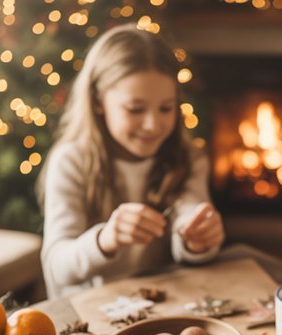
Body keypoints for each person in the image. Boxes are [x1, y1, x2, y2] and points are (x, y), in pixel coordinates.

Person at [40, 25, 225, 299]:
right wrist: (105, 239)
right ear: (98, 101)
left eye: (166, 108)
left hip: (165, 304)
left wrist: (197, 241)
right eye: (135, 109)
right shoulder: (70, 162)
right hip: (88, 310)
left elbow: (189, 216)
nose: (152, 125)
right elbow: (56, 267)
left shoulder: (189, 158)